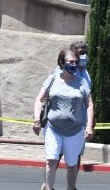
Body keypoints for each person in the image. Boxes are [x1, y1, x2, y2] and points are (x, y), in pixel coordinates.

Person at [33, 47, 94, 190]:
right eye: (70, 61)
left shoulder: (81, 82)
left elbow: (89, 104)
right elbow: (39, 99)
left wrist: (89, 126)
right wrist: (36, 120)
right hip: (53, 128)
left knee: (72, 163)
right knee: (51, 160)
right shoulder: (52, 79)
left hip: (75, 130)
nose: (73, 64)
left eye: (75, 62)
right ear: (61, 62)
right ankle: (48, 188)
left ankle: (70, 188)